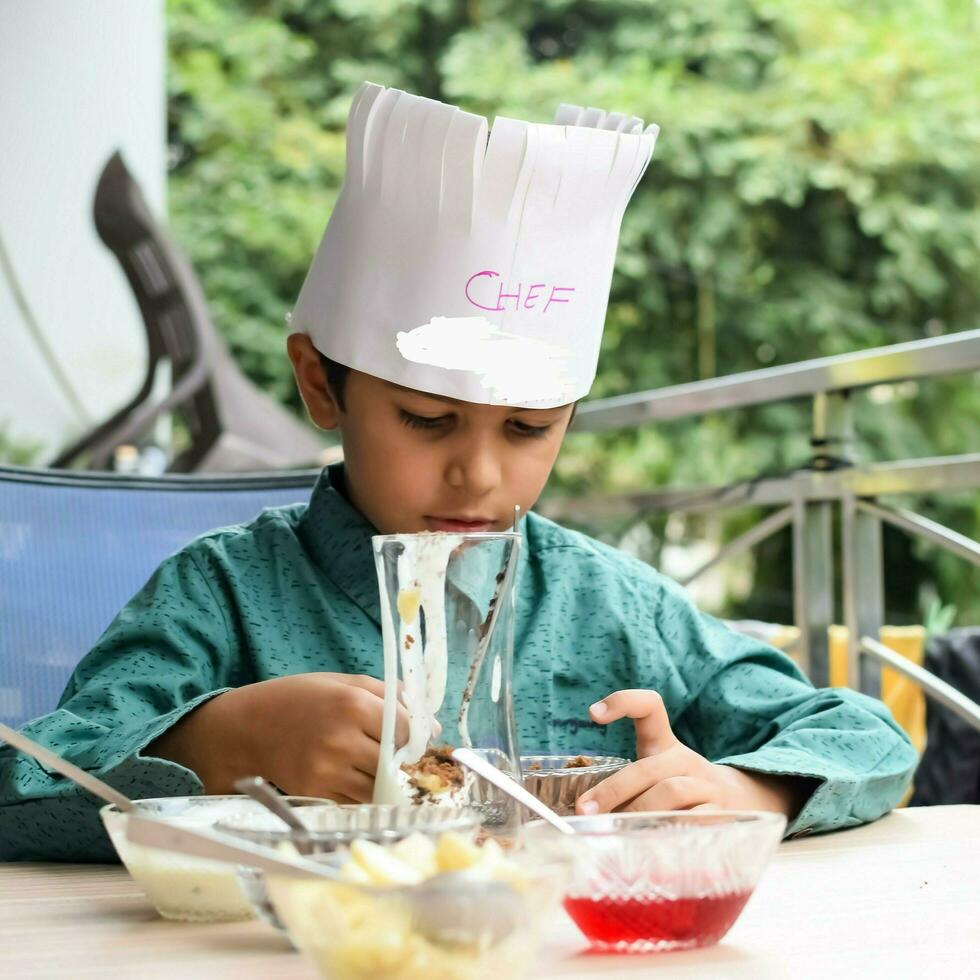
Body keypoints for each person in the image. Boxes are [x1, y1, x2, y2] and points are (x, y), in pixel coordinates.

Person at [0, 83, 915, 860]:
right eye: (428, 420)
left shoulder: (613, 607)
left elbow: (865, 736)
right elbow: (23, 777)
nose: (479, 473)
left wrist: (744, 791)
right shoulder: (221, 596)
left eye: (528, 428)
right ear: (322, 384)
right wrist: (214, 741)